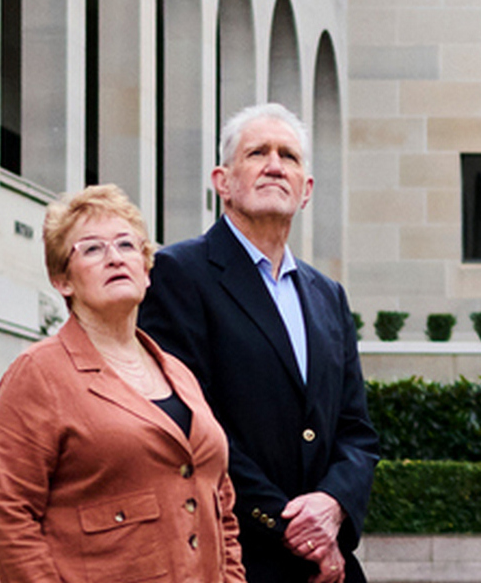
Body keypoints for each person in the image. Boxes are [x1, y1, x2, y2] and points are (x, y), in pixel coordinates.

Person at [138, 103, 379, 583]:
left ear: (306, 190)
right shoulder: (178, 275)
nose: (274, 165)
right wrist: (290, 525)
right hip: (236, 556)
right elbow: (189, 421)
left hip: (328, 565)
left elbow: (357, 432)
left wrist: (333, 507)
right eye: (257, 153)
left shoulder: (328, 296)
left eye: (289, 156)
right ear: (222, 181)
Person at [0, 184, 245, 583]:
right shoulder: (38, 373)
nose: (114, 258)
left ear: (146, 269)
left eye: (126, 246)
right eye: (91, 249)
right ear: (62, 280)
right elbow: (9, 513)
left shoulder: (179, 373)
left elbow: (220, 503)